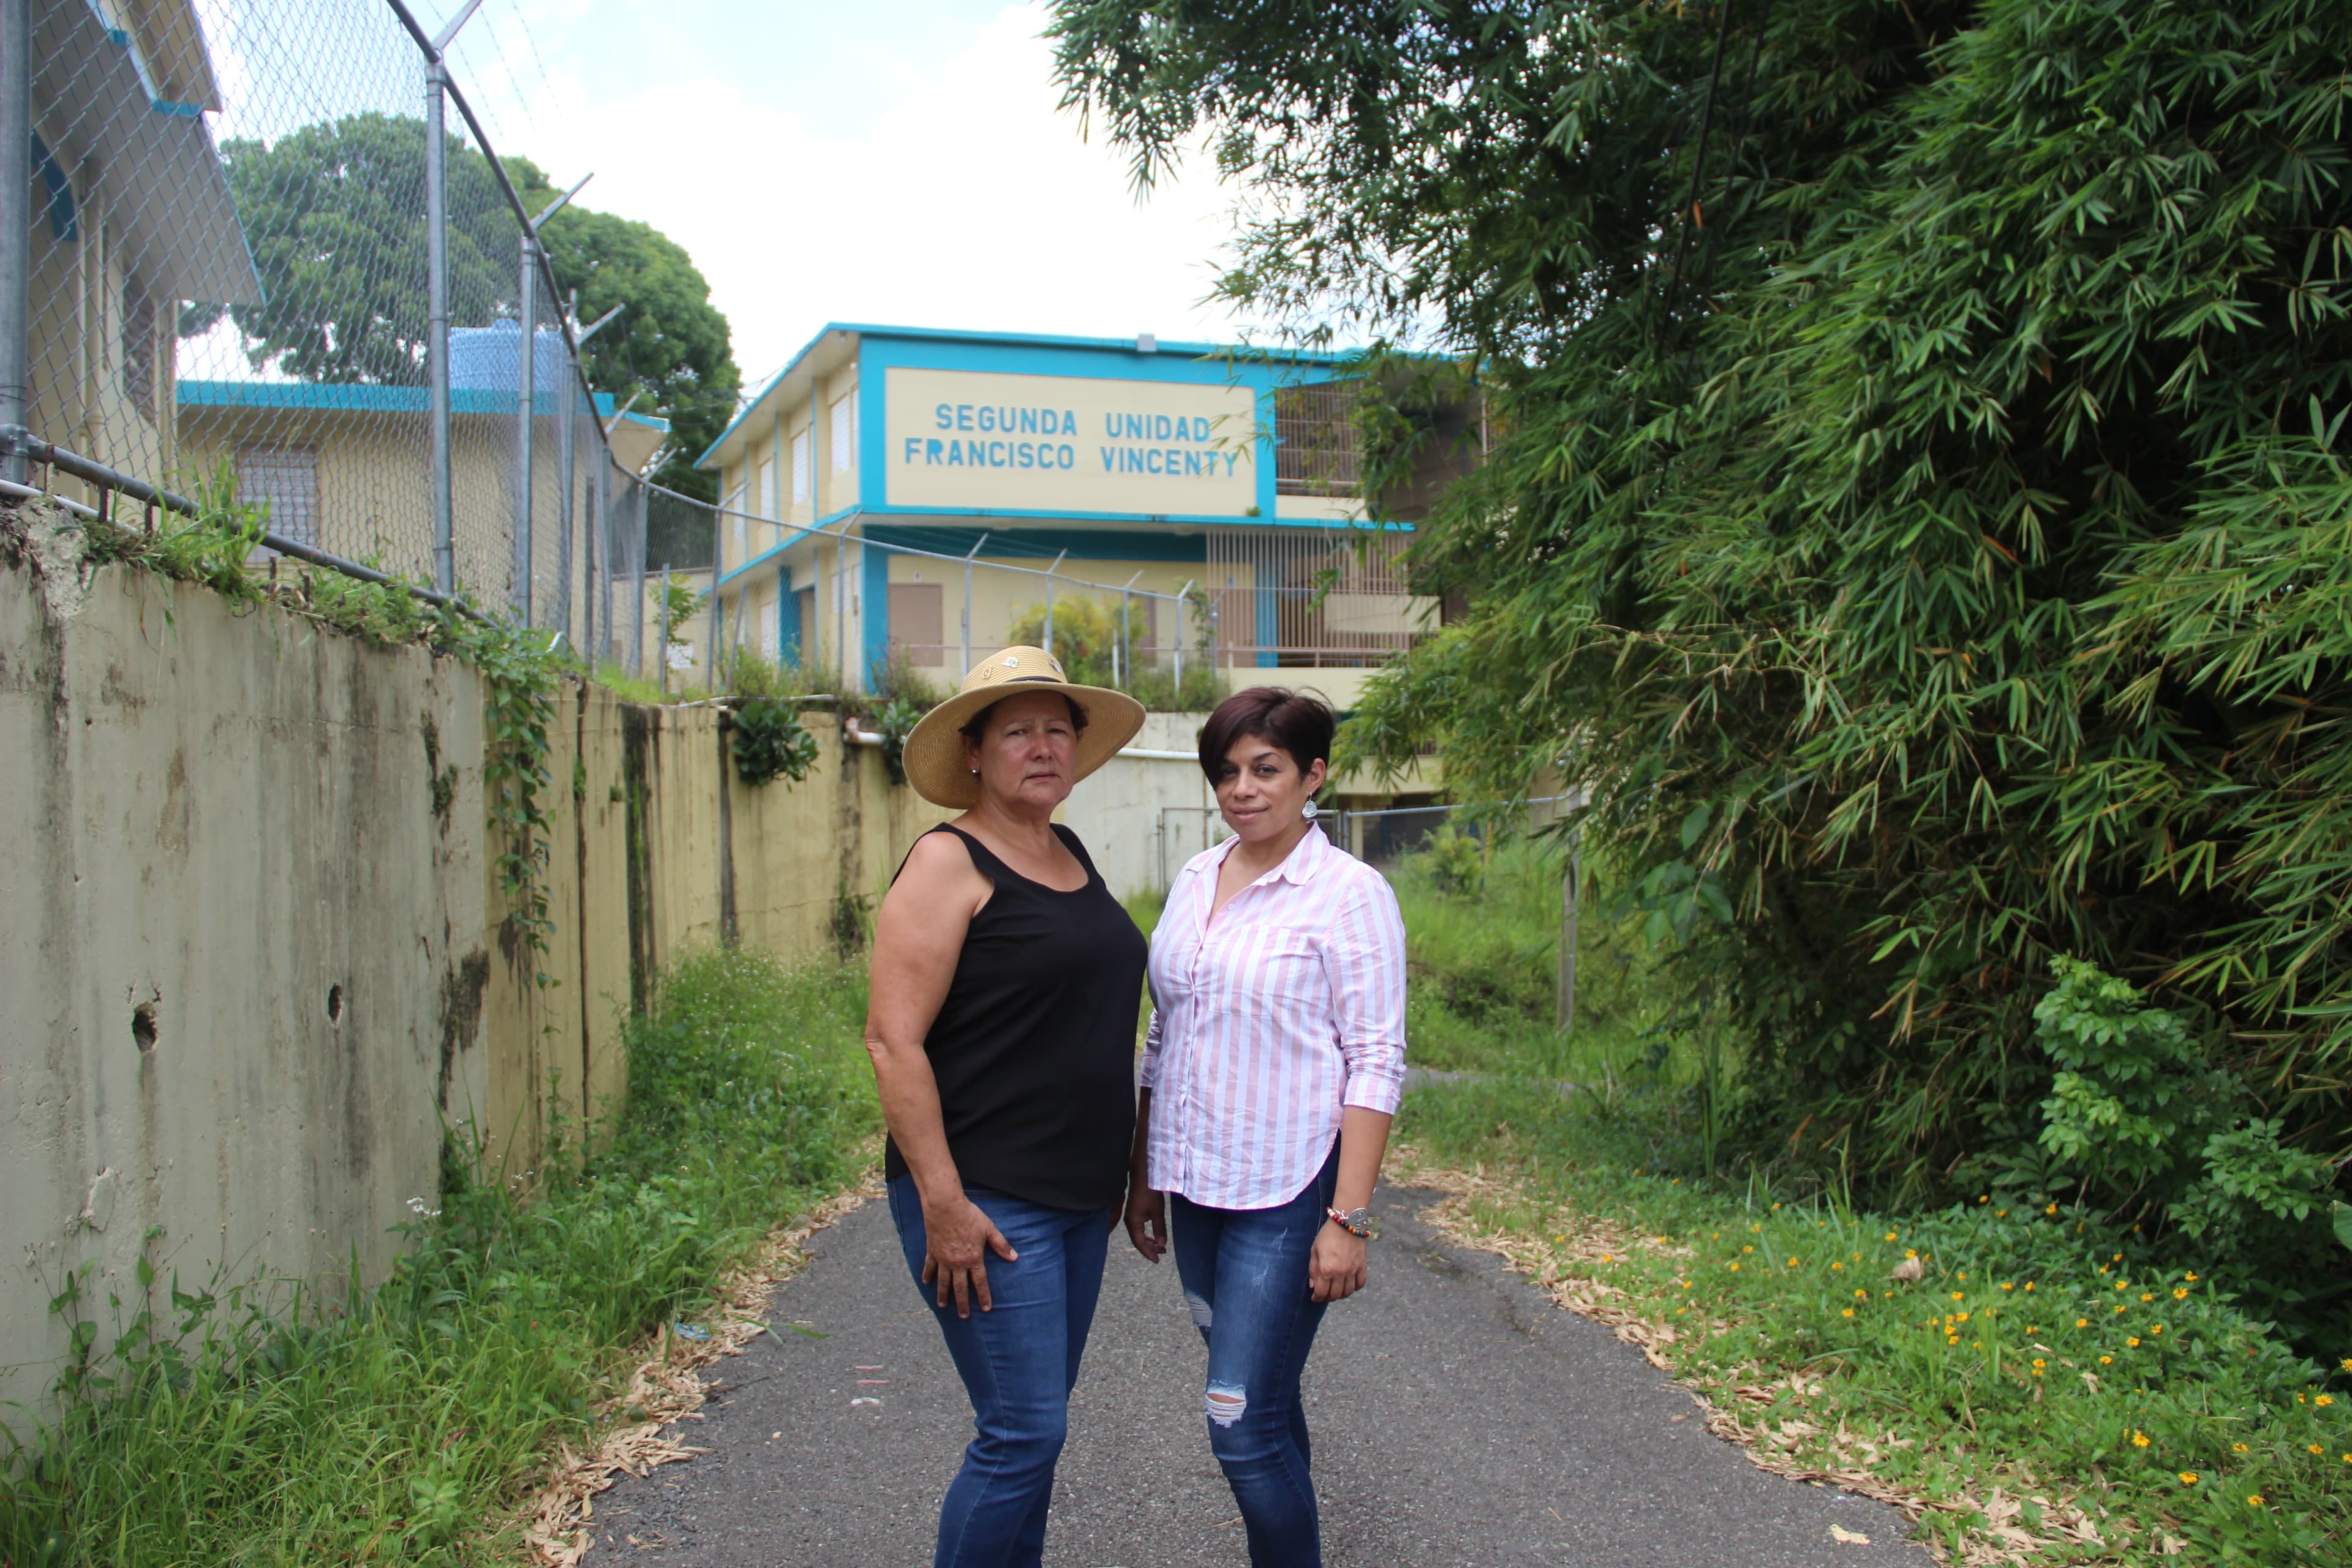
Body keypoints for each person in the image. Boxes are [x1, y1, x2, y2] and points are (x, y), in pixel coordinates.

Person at [864, 645, 1149, 1568]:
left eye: (1057, 730)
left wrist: (1131, 1170)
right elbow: (891, 1040)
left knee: (1037, 1434)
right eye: (1017, 730)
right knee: (1022, 1433)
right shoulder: (949, 861)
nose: (1042, 747)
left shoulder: (1065, 850)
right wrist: (942, 1203)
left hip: (1076, 1202)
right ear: (976, 753)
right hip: (985, 1198)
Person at [1125, 686, 1408, 1567]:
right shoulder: (1195, 877)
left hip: (1289, 1192)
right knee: (1267, 1405)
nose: (1242, 789)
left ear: (1312, 774)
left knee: (1238, 1422)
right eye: (1227, 772)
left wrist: (1348, 1219)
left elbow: (1375, 1059)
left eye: (1266, 769)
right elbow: (1164, 1030)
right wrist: (1144, 1175)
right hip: (1198, 1183)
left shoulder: (1348, 894)